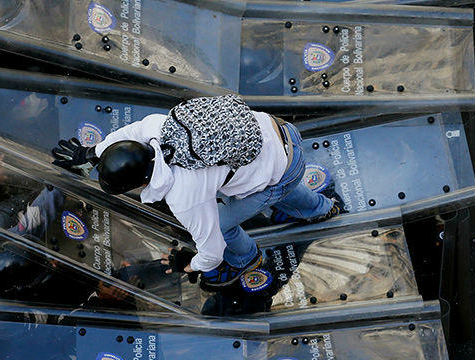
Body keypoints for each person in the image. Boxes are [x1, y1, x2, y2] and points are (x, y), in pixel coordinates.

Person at [52, 95, 342, 289]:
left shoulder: (184, 197)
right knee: (268, 180)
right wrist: (92, 152)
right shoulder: (159, 128)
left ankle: (246, 259)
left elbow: (213, 251)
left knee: (225, 223)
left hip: (283, 170)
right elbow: (129, 134)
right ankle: (321, 208)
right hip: (280, 131)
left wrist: (189, 265)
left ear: (139, 184)